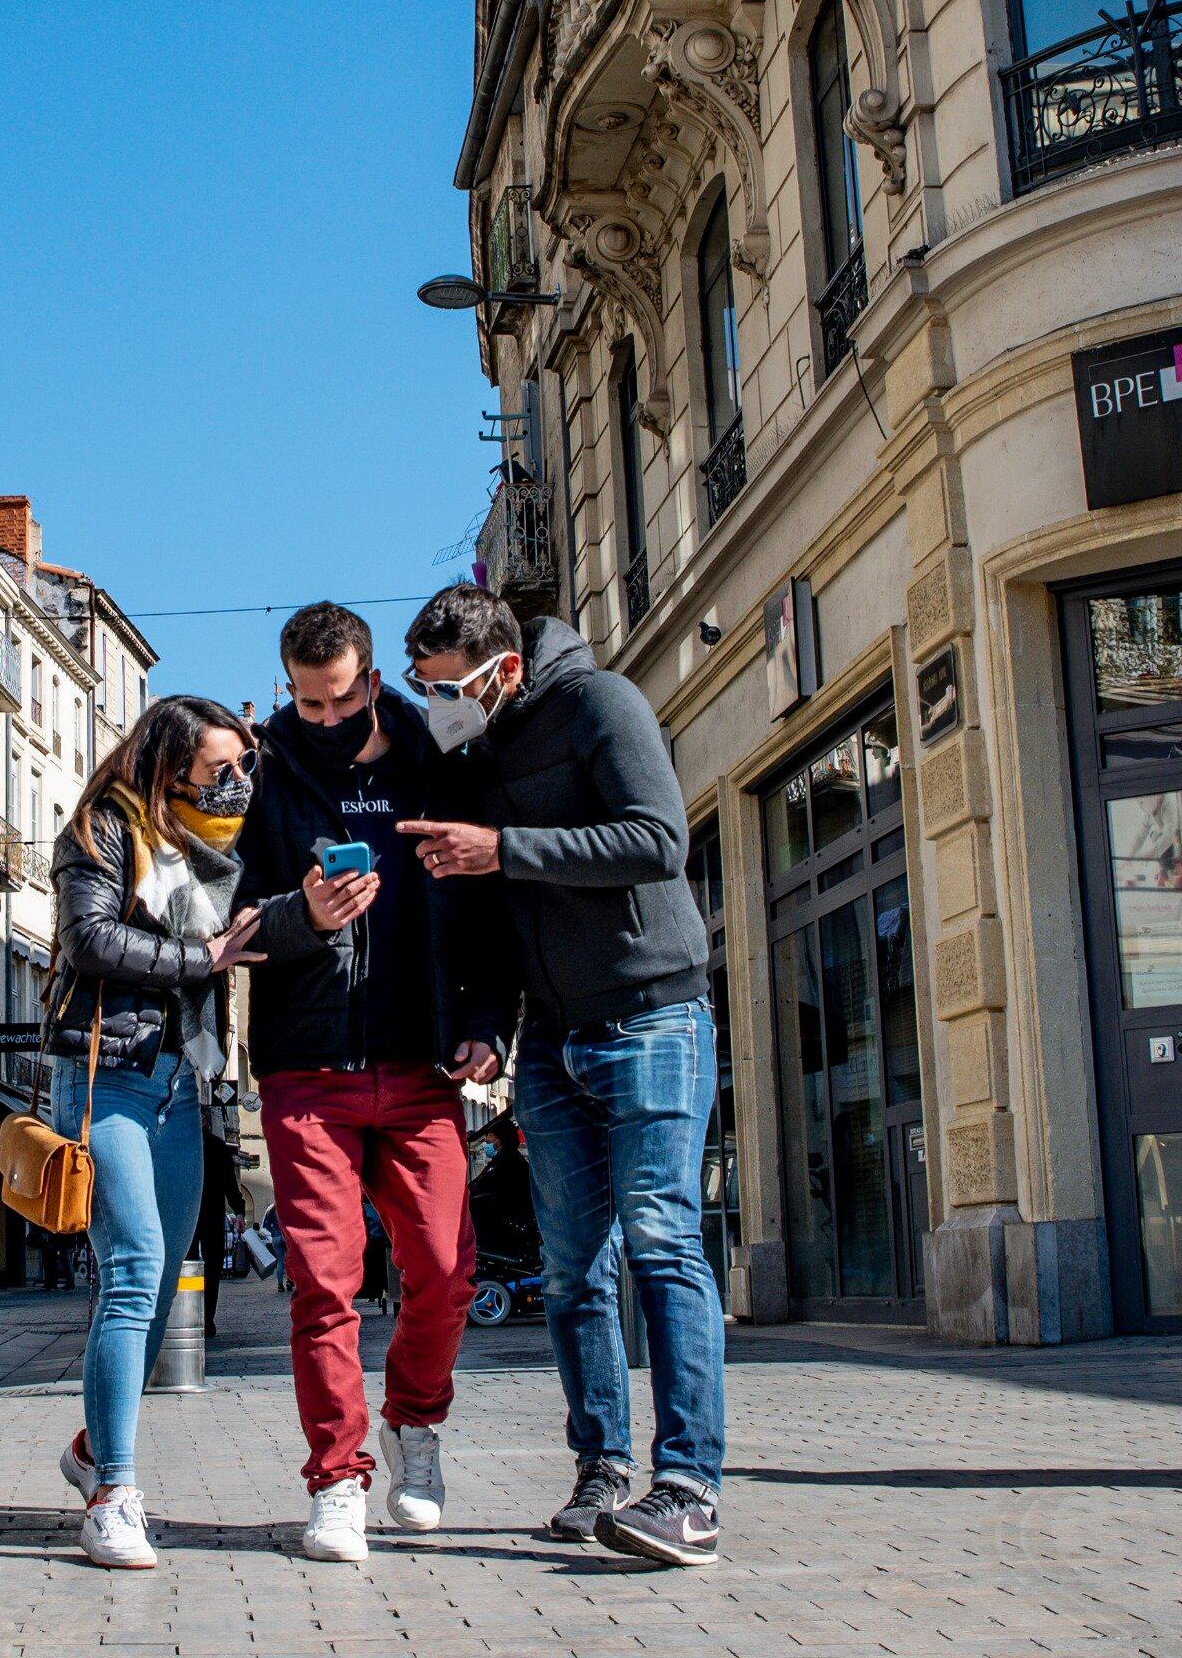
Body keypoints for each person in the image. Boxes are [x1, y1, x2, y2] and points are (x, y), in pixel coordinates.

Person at [398, 586, 726, 1569]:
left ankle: (690, 1489)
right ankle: (601, 1475)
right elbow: (496, 917)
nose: (436, 704)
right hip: (550, 1037)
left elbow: (657, 839)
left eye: (447, 686)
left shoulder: (602, 706)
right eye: (424, 689)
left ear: (501, 670)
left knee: (662, 1236)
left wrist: (507, 847)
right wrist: (487, 1026)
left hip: (652, 1011)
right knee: (574, 1269)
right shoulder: (472, 760)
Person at [230, 602, 514, 1564]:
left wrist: (483, 1022)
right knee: (324, 1283)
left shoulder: (432, 764)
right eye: (305, 702)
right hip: (305, 1070)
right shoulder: (259, 774)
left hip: (420, 1061)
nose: (321, 715)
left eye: (339, 697)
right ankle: (339, 1482)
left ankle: (414, 1424)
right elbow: (226, 926)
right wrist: (300, 914)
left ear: (373, 682)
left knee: (445, 1269)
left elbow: (482, 904)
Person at [44, 695, 264, 1570]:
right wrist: (202, 959)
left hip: (183, 1085)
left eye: (241, 767)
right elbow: (88, 940)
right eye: (219, 768)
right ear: (170, 765)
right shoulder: (101, 831)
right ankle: (115, 1494)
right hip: (107, 1076)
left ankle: (95, 1446)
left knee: (163, 1279)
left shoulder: (212, 856)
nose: (234, 782)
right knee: (133, 1265)